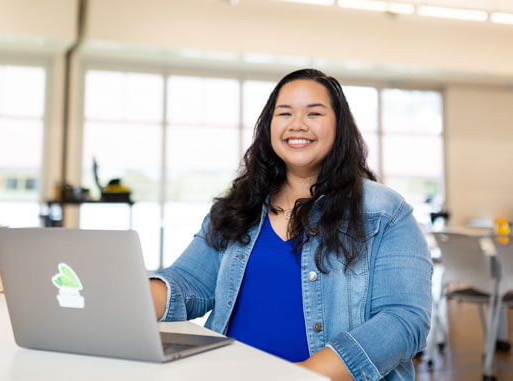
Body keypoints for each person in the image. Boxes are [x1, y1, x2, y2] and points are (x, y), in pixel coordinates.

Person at [148, 69, 432, 381]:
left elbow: (404, 320)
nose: (297, 124)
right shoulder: (238, 205)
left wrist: (301, 376)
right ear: (269, 126)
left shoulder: (386, 212)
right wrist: (131, 297)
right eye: (284, 113)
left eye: (314, 113)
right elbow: (189, 281)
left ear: (340, 126)